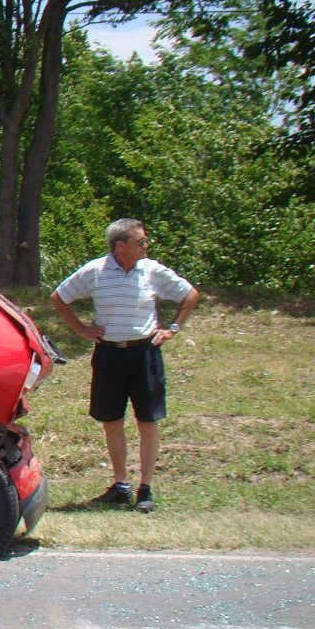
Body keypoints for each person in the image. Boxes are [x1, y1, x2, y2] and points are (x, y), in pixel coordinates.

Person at [50, 218, 200, 513]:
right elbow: (58, 298)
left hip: (144, 353)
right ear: (120, 246)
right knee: (112, 421)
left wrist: (172, 328)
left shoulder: (152, 271)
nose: (146, 246)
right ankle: (121, 485)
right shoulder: (95, 271)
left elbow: (190, 295)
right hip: (109, 355)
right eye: (140, 242)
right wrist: (82, 330)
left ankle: (146, 489)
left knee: (147, 420)